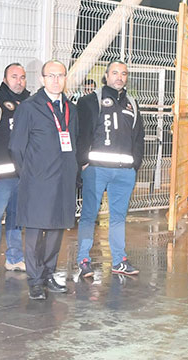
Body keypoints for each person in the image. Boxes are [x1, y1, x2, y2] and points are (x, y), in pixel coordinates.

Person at [10, 60, 79, 300]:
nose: (56, 80)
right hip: (37, 180)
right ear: (41, 79)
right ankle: (35, 279)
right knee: (35, 230)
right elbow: (16, 147)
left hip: (63, 180)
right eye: (51, 75)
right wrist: (28, 174)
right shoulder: (30, 107)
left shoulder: (70, 108)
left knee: (56, 228)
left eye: (60, 75)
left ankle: (49, 273)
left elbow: (74, 143)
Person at [76, 61, 145, 279]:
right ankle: (83, 260)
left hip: (124, 172)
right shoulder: (90, 101)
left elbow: (138, 138)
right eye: (115, 73)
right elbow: (81, 133)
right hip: (96, 170)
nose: (119, 77)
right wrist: (83, 162)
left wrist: (135, 165)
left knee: (118, 217)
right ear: (106, 76)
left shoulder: (132, 103)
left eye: (123, 73)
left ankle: (119, 261)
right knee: (88, 215)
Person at [0, 63, 29, 279]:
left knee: (16, 219)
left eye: (22, 77)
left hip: (23, 175)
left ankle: (14, 258)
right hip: (1, 176)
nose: (19, 81)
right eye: (14, 76)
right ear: (5, 78)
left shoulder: (30, 103)